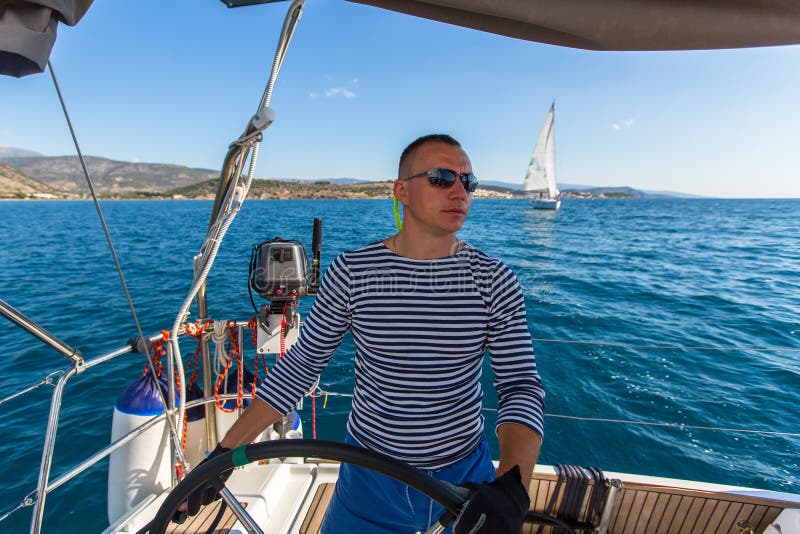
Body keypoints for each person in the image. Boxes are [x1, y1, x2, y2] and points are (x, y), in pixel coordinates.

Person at [183, 134, 545, 533]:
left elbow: (519, 386)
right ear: (402, 191)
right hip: (370, 479)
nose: (460, 191)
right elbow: (302, 366)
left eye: (468, 182)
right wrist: (223, 454)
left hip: (464, 478)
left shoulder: (494, 280)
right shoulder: (353, 273)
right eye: (443, 178)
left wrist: (512, 487)